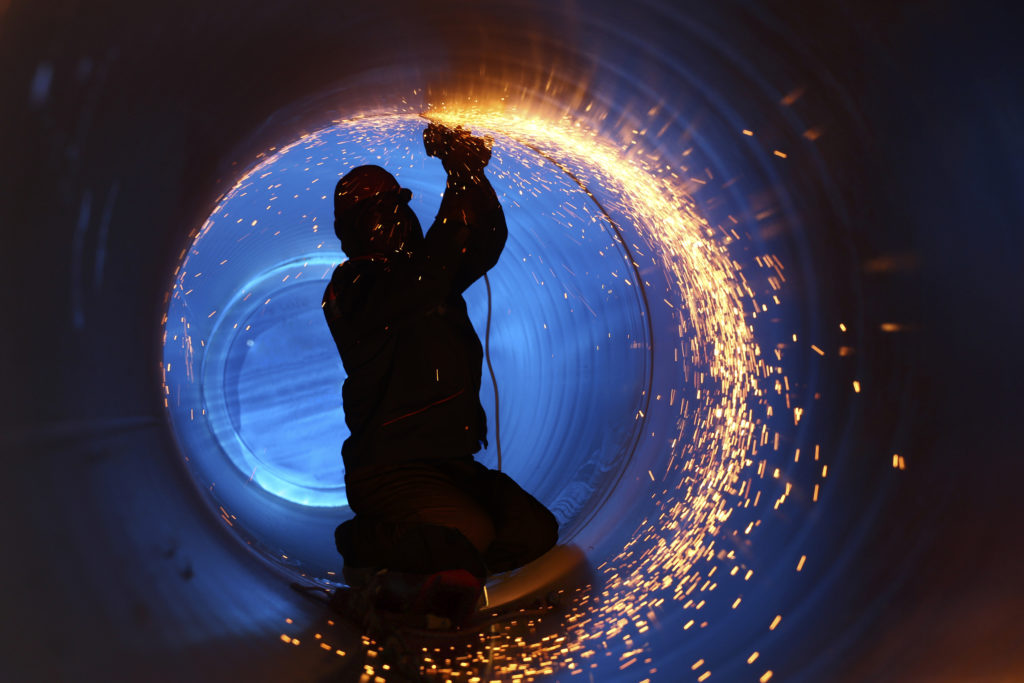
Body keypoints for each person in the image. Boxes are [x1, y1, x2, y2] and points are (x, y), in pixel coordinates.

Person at [322, 122, 559, 624]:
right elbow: (431, 270)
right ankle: (364, 549)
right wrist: (461, 177)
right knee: (467, 534)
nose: (399, 215)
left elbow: (482, 241)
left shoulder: (424, 275)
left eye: (400, 203)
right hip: (389, 469)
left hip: (449, 460)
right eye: (384, 208)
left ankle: (438, 572)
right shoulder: (353, 287)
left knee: (533, 530)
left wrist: (465, 173)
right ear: (359, 223)